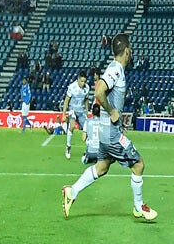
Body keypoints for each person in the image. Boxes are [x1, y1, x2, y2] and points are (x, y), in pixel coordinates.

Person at [62, 33, 157, 221]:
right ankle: (139, 207)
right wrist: (113, 111)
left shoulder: (115, 68)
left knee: (102, 167)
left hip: (107, 133)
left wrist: (117, 120)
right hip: (111, 135)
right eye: (130, 51)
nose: (131, 55)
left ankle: (71, 192)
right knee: (138, 165)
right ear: (127, 51)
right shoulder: (116, 69)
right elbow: (99, 91)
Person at [62, 70, 90, 159]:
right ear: (77, 79)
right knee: (72, 125)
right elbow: (66, 100)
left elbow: (86, 100)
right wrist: (63, 114)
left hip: (81, 111)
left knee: (87, 130)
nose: (83, 83)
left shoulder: (87, 88)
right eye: (81, 81)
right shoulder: (72, 87)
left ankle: (89, 150)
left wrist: (87, 111)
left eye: (84, 81)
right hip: (72, 110)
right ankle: (68, 146)